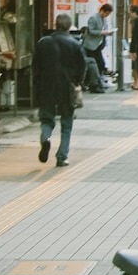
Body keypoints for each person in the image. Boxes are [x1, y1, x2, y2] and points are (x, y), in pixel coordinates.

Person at [33, 14, 86, 168]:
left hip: (46, 86)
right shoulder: (75, 44)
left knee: (47, 119)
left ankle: (46, 138)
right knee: (66, 123)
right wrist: (78, 81)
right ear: (69, 27)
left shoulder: (43, 42)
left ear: (55, 25)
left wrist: (37, 85)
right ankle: (62, 156)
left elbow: (36, 66)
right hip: (67, 88)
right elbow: (82, 67)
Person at [81, 3, 114, 92]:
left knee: (100, 64)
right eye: (106, 13)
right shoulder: (93, 18)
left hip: (98, 45)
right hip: (90, 45)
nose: (107, 15)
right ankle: (92, 82)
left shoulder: (104, 20)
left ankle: (96, 81)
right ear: (102, 11)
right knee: (93, 64)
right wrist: (102, 32)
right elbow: (91, 31)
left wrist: (107, 33)